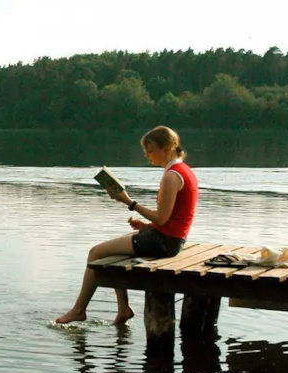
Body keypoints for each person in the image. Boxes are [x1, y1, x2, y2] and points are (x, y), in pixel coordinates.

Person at [55, 126, 199, 325]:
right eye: (145, 151)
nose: (147, 155)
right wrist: (145, 226)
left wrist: (128, 202)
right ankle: (123, 309)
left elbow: (162, 219)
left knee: (96, 253)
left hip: (164, 242)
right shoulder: (183, 171)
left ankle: (79, 310)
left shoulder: (172, 176)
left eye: (151, 150)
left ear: (167, 148)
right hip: (170, 238)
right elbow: (173, 218)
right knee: (113, 251)